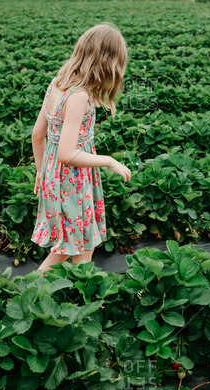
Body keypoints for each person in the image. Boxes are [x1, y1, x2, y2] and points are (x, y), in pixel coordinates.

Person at [30, 22, 132, 274]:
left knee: (84, 240)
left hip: (57, 176)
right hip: (72, 180)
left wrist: (42, 171)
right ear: (106, 63)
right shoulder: (78, 97)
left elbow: (37, 134)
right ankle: (25, 289)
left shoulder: (57, 83)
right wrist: (109, 161)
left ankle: (82, 292)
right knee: (67, 247)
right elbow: (67, 153)